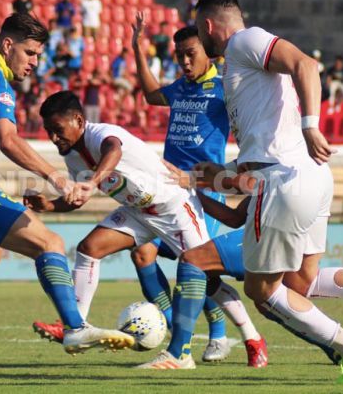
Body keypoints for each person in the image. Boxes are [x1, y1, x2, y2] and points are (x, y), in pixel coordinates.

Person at [140, 0, 343, 384]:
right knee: (302, 282)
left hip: (282, 181)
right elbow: (260, 144)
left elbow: (306, 64)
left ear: (209, 26)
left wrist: (311, 124)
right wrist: (208, 175)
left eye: (199, 29)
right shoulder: (240, 69)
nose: (199, 36)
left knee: (262, 291)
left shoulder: (244, 42)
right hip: (309, 176)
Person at [0, 13, 134, 373]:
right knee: (51, 244)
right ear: (8, 45)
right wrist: (57, 178)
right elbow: (9, 141)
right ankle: (76, 328)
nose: (34, 62)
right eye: (30, 53)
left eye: (38, 55)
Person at [26, 91, 248, 369]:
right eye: (49, 132)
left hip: (174, 208)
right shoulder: (73, 157)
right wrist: (49, 205)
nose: (54, 138)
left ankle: (251, 337)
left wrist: (93, 183)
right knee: (89, 249)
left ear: (79, 120)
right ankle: (76, 327)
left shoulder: (101, 134)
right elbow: (77, 198)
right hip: (138, 213)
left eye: (58, 130)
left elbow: (113, 151)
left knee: (208, 276)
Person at [131, 13, 266, 366]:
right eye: (179, 56)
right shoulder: (179, 87)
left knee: (201, 271)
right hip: (168, 192)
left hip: (205, 192)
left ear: (208, 52)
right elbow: (148, 95)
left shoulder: (225, 86)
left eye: (191, 53)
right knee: (143, 253)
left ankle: (236, 336)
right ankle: (177, 329)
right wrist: (137, 48)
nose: (185, 61)